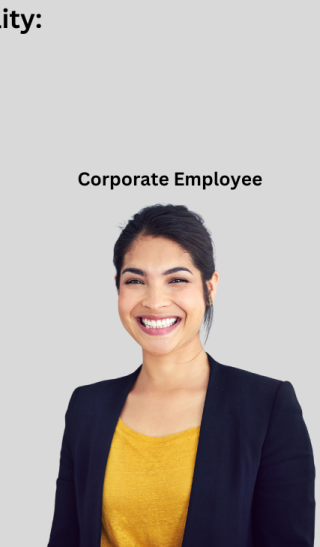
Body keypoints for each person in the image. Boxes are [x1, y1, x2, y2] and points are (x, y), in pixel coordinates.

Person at [48, 204, 314, 547]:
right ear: (118, 287)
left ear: (210, 287)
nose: (155, 301)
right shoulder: (87, 406)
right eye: (135, 280)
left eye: (177, 280)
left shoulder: (266, 407)